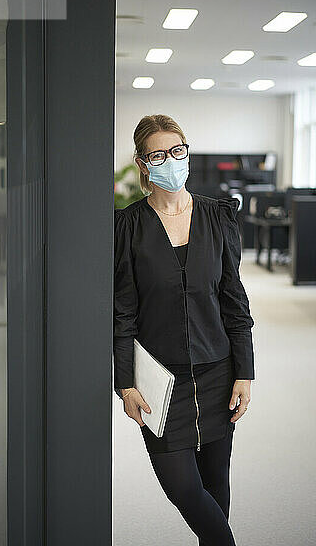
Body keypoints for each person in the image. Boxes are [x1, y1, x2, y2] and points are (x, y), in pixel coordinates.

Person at [113, 114, 255, 546]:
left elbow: (234, 300)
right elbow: (122, 312)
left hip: (217, 373)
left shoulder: (218, 217)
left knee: (217, 489)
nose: (170, 161)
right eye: (159, 155)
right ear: (143, 164)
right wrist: (124, 384)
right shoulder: (126, 226)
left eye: (177, 151)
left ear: (187, 153)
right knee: (186, 492)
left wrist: (245, 371)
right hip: (161, 384)